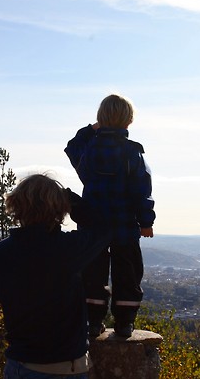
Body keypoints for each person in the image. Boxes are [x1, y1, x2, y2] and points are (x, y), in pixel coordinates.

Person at [0, 174, 111, 379]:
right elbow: (104, 228)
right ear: (57, 209)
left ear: (17, 207)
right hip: (59, 374)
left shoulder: (2, 253)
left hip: (19, 368)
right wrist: (74, 202)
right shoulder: (64, 250)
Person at [64, 93, 155, 338]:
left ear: (100, 118)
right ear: (129, 121)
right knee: (128, 273)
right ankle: (125, 323)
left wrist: (93, 128)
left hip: (92, 224)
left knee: (93, 273)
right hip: (124, 225)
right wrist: (146, 222)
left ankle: (93, 322)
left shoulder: (87, 150)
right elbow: (142, 189)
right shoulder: (132, 152)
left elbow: (71, 146)